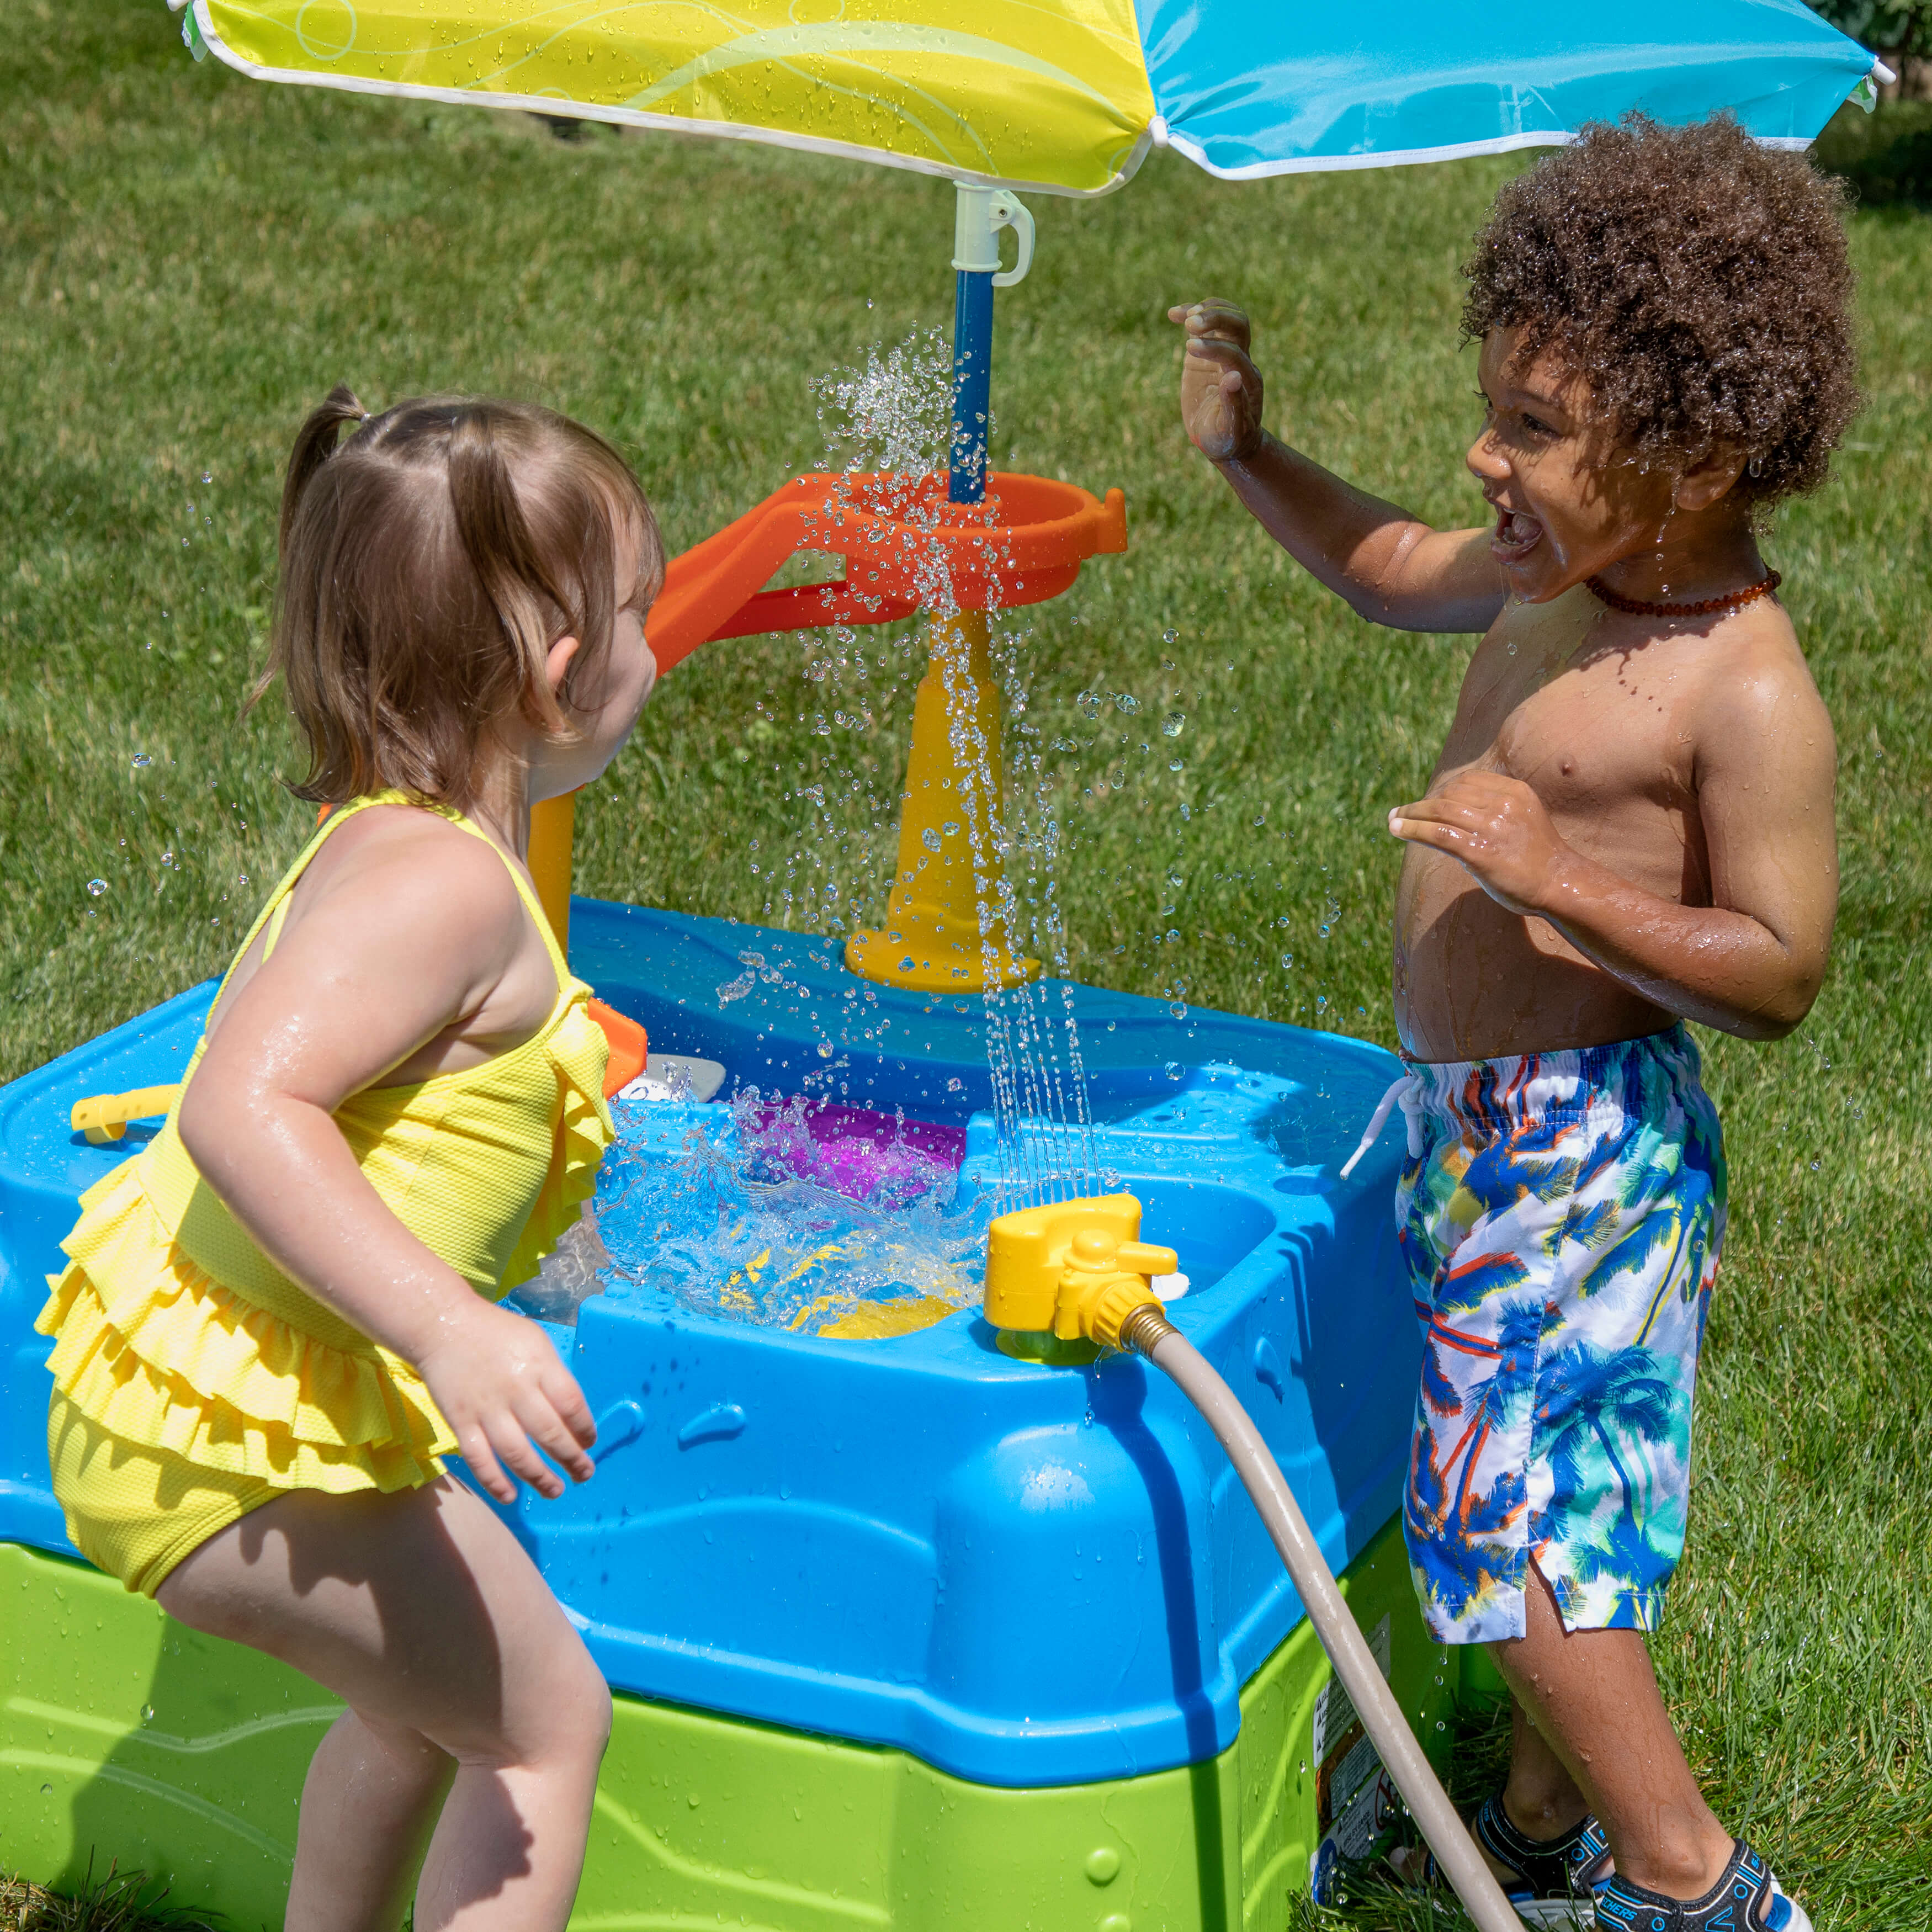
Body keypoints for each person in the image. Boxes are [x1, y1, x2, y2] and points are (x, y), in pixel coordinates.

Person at [1171, 115, 1854, 1932]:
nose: (1485, 454)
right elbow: (1386, 565)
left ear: (1698, 453)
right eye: (1495, 407)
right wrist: (1250, 458)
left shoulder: (1740, 686)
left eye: (1533, 428)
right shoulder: (1553, 576)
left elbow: (1783, 966)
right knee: (1547, 1494)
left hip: (1584, 1149)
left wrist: (1565, 881)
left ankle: (1694, 1885)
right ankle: (1543, 1830)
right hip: (1474, 1124)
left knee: (1513, 1534)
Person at [38, 386, 663, 1931]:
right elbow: (241, 1108)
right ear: (562, 671)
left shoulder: (401, 838)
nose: (659, 644)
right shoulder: (440, 888)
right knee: (543, 1726)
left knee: (418, 1703)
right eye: (643, 609)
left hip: (198, 1404)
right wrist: (455, 1327)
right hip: (234, 1442)